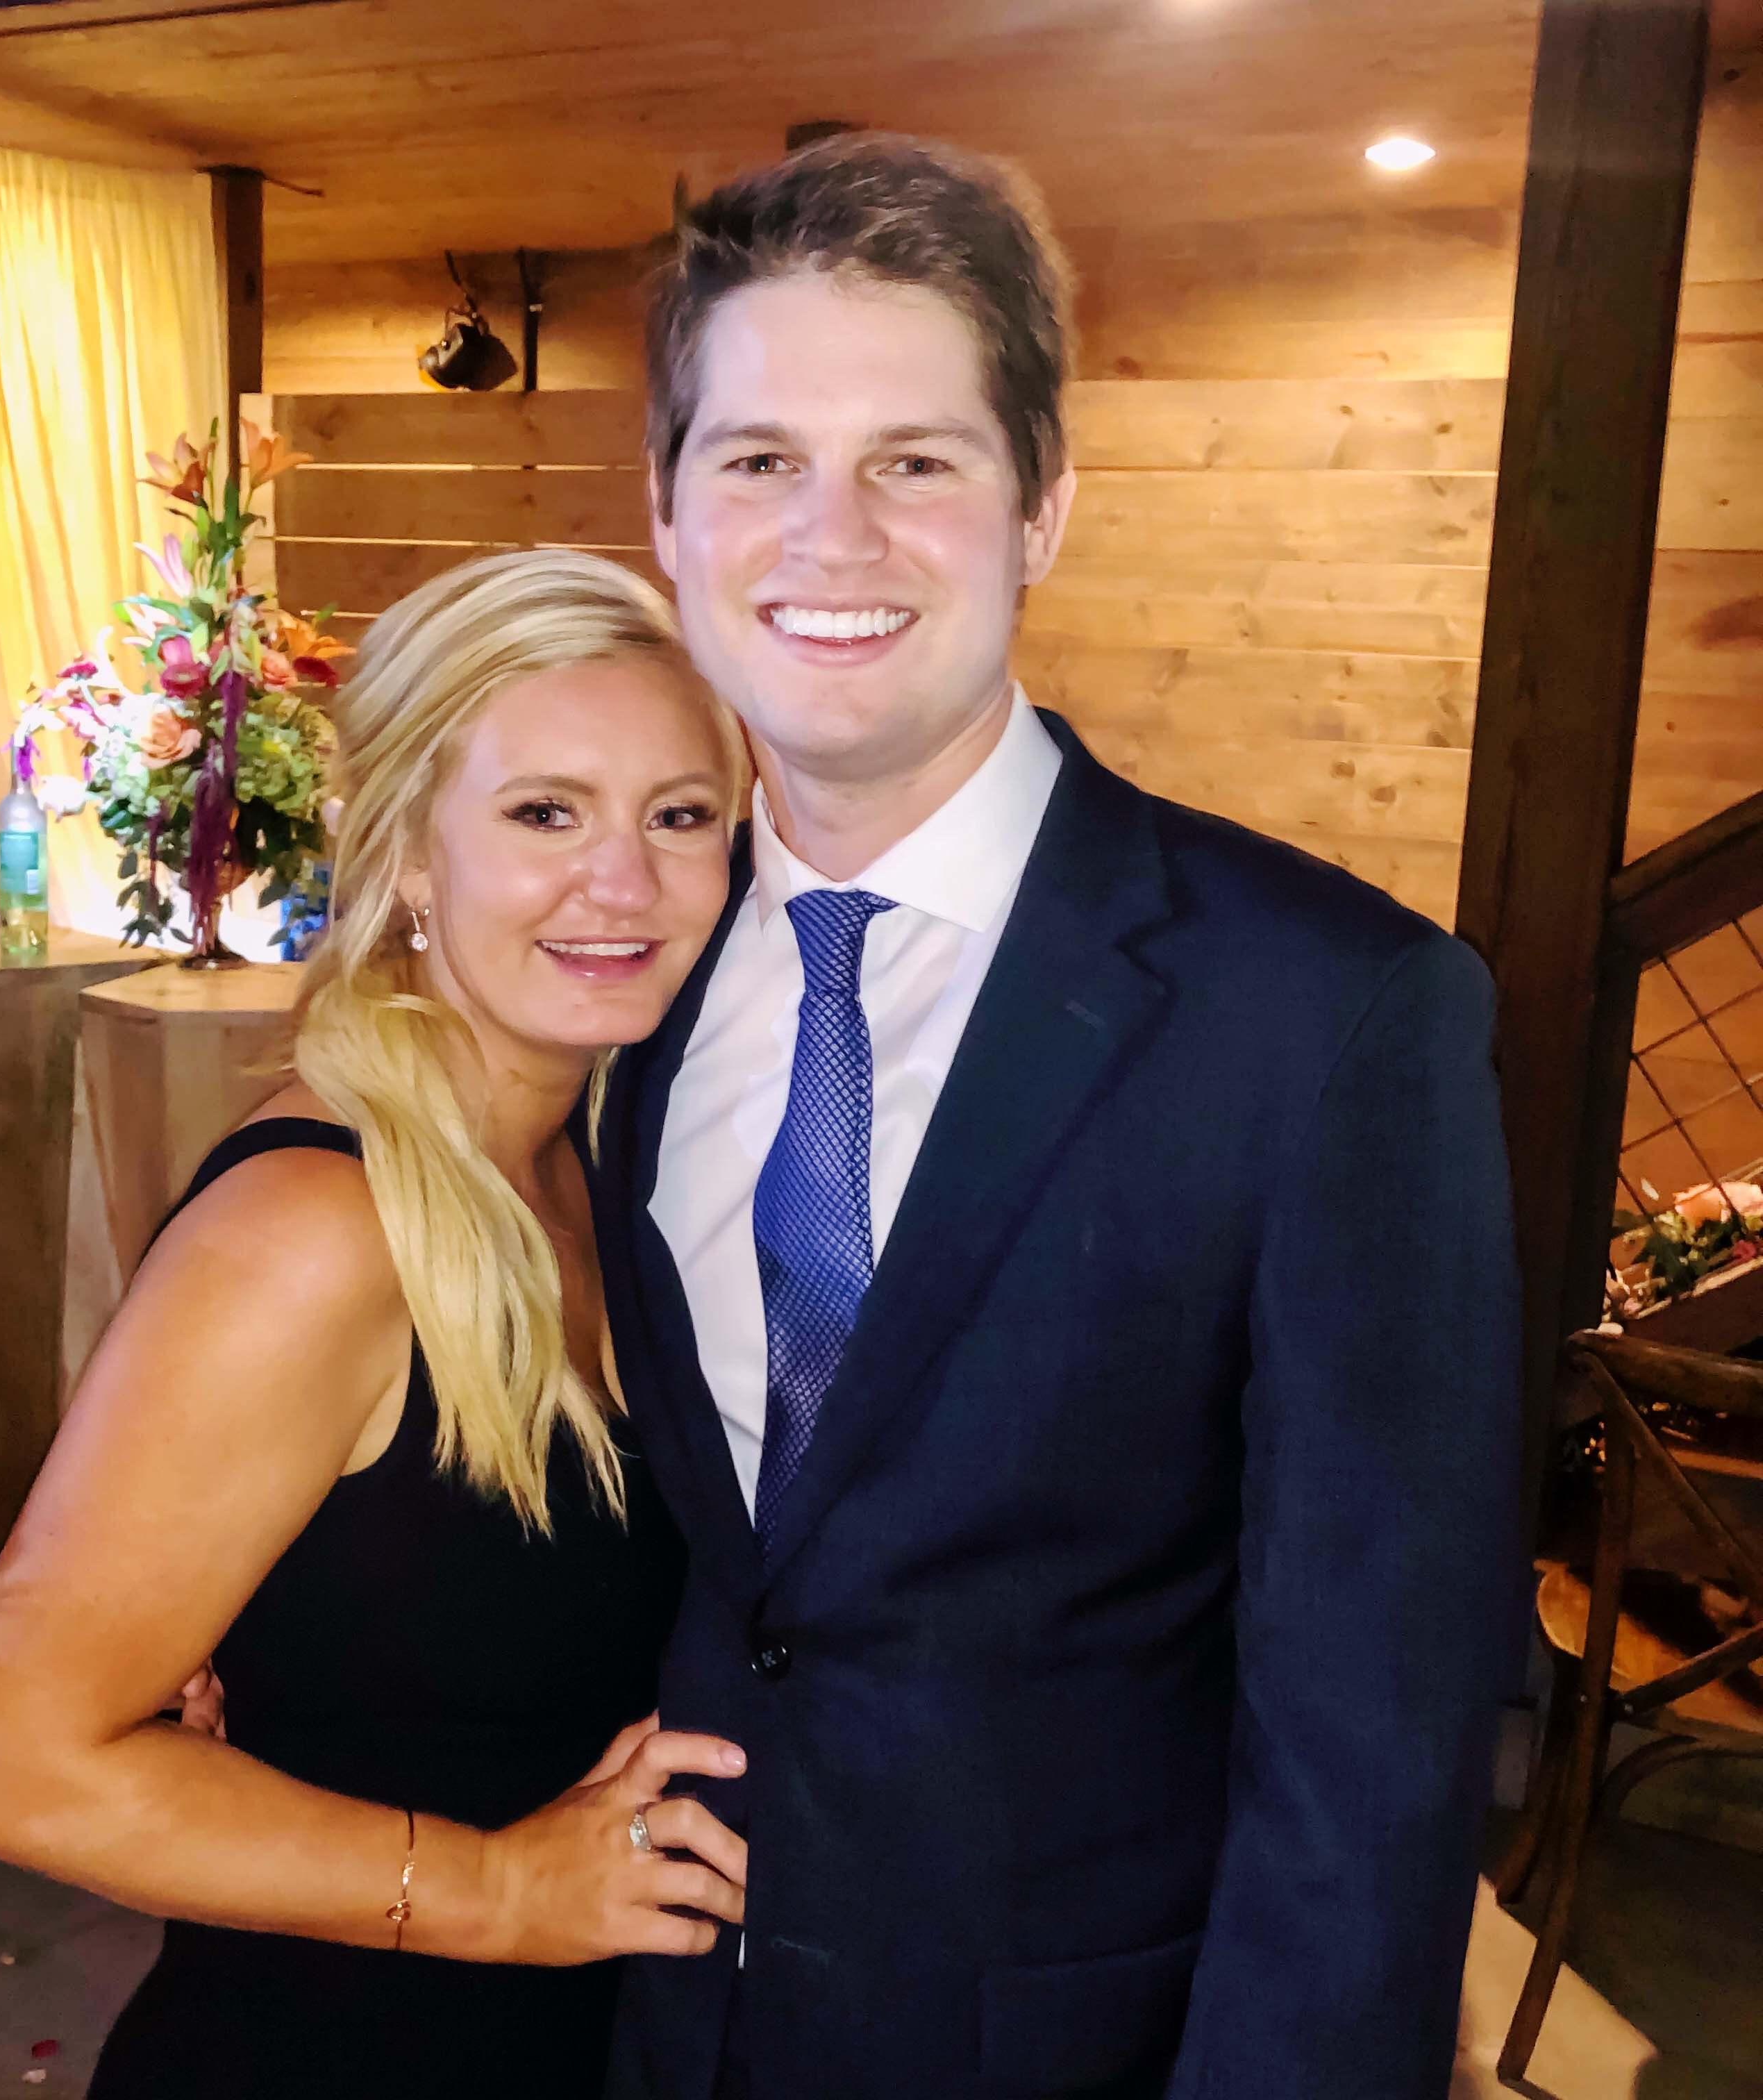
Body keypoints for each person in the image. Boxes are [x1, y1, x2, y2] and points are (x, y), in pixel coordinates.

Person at [589, 136, 1523, 2099]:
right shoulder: (625, 977)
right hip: (659, 2021)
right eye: (758, 459)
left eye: (916, 462)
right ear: (667, 520)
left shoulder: (1329, 1013)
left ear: (1043, 514)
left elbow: (1380, 1736)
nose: (828, 537)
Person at [0, 549, 755, 2097]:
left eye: (679, 816)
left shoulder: (597, 1153)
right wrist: (502, 1892)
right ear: (414, 854)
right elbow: (12, 1764)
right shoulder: (320, 1229)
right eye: (544, 814)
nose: (625, 884)